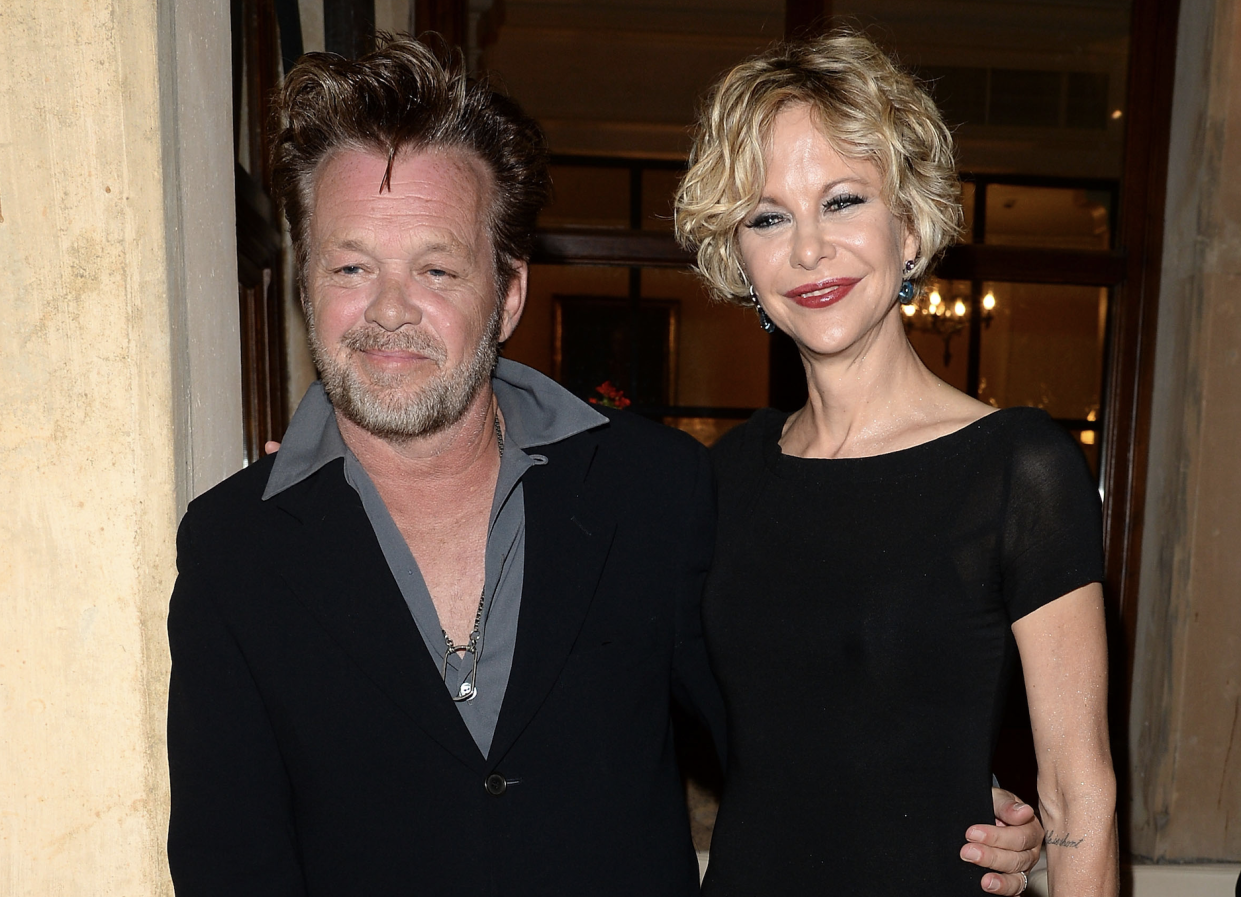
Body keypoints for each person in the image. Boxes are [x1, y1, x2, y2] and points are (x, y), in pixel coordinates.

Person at [166, 36, 1044, 896]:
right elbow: (228, 866)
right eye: (351, 265)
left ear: (507, 292)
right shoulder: (234, 547)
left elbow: (786, 736)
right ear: (306, 284)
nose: (390, 309)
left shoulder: (652, 489)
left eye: (437, 268)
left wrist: (955, 811)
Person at [675, 30, 1119, 897]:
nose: (808, 250)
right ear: (740, 260)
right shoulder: (723, 477)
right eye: (769, 217)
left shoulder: (1017, 467)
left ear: (909, 228)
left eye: (842, 201)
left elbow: (1079, 792)